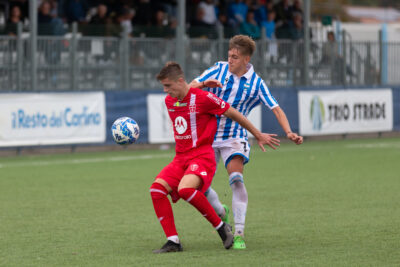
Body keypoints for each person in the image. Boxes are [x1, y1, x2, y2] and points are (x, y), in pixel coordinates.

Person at [151, 61, 280, 253]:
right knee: (156, 190)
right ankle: (173, 241)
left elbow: (234, 113)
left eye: (168, 86)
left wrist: (257, 133)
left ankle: (222, 229)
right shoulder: (171, 101)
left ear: (180, 81)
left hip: (202, 157)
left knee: (186, 190)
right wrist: (200, 83)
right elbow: (188, 89)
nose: (165, 90)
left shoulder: (204, 99)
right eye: (163, 86)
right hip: (180, 159)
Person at [189, 35, 303, 249]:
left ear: (246, 59)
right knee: (198, 186)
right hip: (207, 137)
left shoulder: (257, 84)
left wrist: (289, 131)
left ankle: (239, 233)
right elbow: (190, 87)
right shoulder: (218, 69)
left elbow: (276, 108)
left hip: (235, 136)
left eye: (235, 57)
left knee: (236, 179)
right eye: (229, 55)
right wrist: (204, 84)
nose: (230, 60)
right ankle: (221, 211)